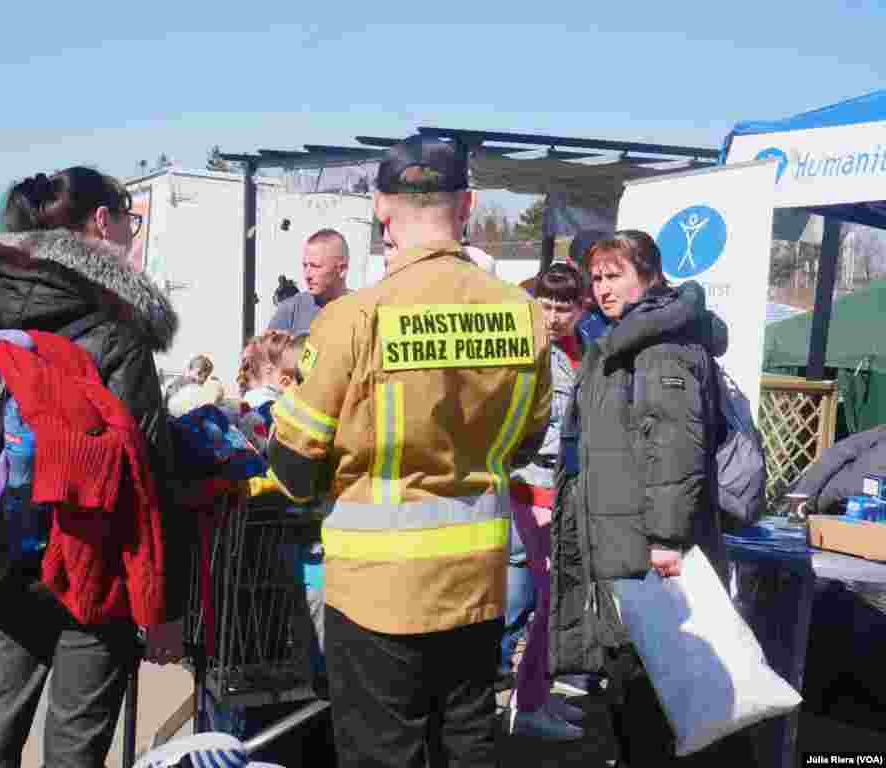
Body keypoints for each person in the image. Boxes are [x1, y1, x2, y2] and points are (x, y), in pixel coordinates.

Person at [267, 135, 552, 768]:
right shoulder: (523, 314)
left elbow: (293, 462)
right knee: (466, 745)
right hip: (477, 583)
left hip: (375, 592)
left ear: (380, 208)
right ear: (468, 205)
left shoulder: (353, 318)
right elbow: (527, 440)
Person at [0, 167, 186, 768]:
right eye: (129, 221)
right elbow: (147, 472)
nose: (132, 234)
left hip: (7, 560)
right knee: (75, 748)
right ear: (102, 223)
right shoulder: (116, 327)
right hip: (94, 570)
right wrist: (164, 607)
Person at [548, 230, 746, 767]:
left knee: (653, 684)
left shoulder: (659, 345)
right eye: (597, 278)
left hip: (647, 549)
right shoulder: (624, 338)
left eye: (615, 276)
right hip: (620, 537)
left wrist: (665, 538)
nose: (603, 288)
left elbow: (675, 445)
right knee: (631, 680)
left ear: (650, 275)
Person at [506, 263, 589, 741]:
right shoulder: (528, 353)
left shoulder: (586, 352)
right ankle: (529, 703)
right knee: (544, 600)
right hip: (528, 491)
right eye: (546, 304)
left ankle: (536, 692)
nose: (554, 316)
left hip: (565, 492)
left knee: (555, 600)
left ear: (581, 309)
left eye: (564, 307)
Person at [267, 229, 349, 335]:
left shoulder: (361, 312)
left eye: (316, 266)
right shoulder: (291, 311)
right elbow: (266, 350)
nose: (307, 275)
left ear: (342, 269)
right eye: (305, 266)